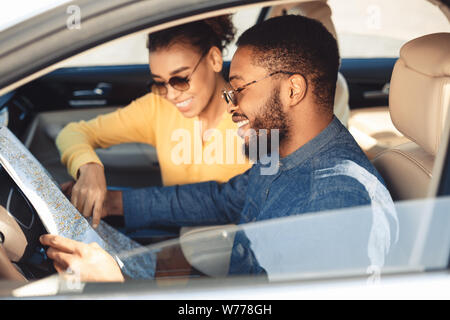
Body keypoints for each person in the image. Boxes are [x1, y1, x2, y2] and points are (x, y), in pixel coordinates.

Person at [41, 15, 394, 282]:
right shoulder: (278, 150)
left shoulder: (338, 201)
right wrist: (116, 202)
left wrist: (120, 284)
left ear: (292, 91)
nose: (231, 105)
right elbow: (225, 199)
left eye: (239, 89)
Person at [56, 15, 252, 228]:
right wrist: (89, 167)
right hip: (177, 242)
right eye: (159, 83)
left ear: (214, 59)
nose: (171, 94)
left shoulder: (255, 117)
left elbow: (246, 201)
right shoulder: (158, 108)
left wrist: (117, 203)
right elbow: (73, 132)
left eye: (180, 79)